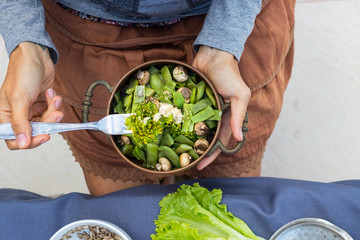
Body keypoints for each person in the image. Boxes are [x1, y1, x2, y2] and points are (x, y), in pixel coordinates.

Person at [0, 0, 295, 196]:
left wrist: (224, 40)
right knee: (127, 210)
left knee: (229, 197)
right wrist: (26, 40)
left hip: (231, 14)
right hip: (90, 29)